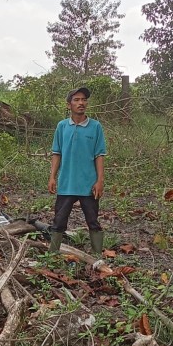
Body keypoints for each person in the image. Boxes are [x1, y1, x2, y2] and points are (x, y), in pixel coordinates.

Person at [48, 87, 107, 254]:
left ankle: (97, 256)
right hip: (66, 183)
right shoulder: (62, 127)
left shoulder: (95, 127)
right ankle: (52, 255)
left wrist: (99, 181)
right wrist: (52, 177)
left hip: (88, 184)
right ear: (69, 105)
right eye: (76, 100)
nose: (81, 103)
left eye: (83, 100)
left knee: (93, 221)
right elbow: (56, 153)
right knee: (59, 221)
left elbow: (99, 155)